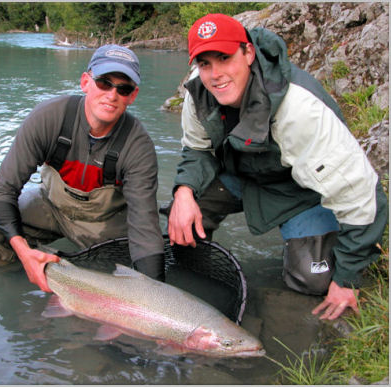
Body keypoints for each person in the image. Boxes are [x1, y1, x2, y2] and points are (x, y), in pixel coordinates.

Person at [166, 14, 388, 320]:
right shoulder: (199, 94)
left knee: (314, 280)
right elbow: (197, 150)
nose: (215, 74)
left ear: (248, 53)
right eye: (205, 63)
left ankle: (312, 245)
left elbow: (361, 193)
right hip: (239, 176)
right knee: (177, 228)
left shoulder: (300, 109)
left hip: (299, 192)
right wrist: (184, 191)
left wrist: (347, 278)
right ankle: (192, 272)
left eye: (224, 58)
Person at [0, 44, 165, 292]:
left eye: (123, 89)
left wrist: (154, 293)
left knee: (126, 276)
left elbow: (144, 228)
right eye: (104, 82)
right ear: (85, 82)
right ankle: (10, 287)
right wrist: (23, 252)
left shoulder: (139, 146)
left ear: (132, 95)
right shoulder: (48, 117)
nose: (112, 95)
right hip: (51, 206)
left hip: (105, 225)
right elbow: (2, 190)